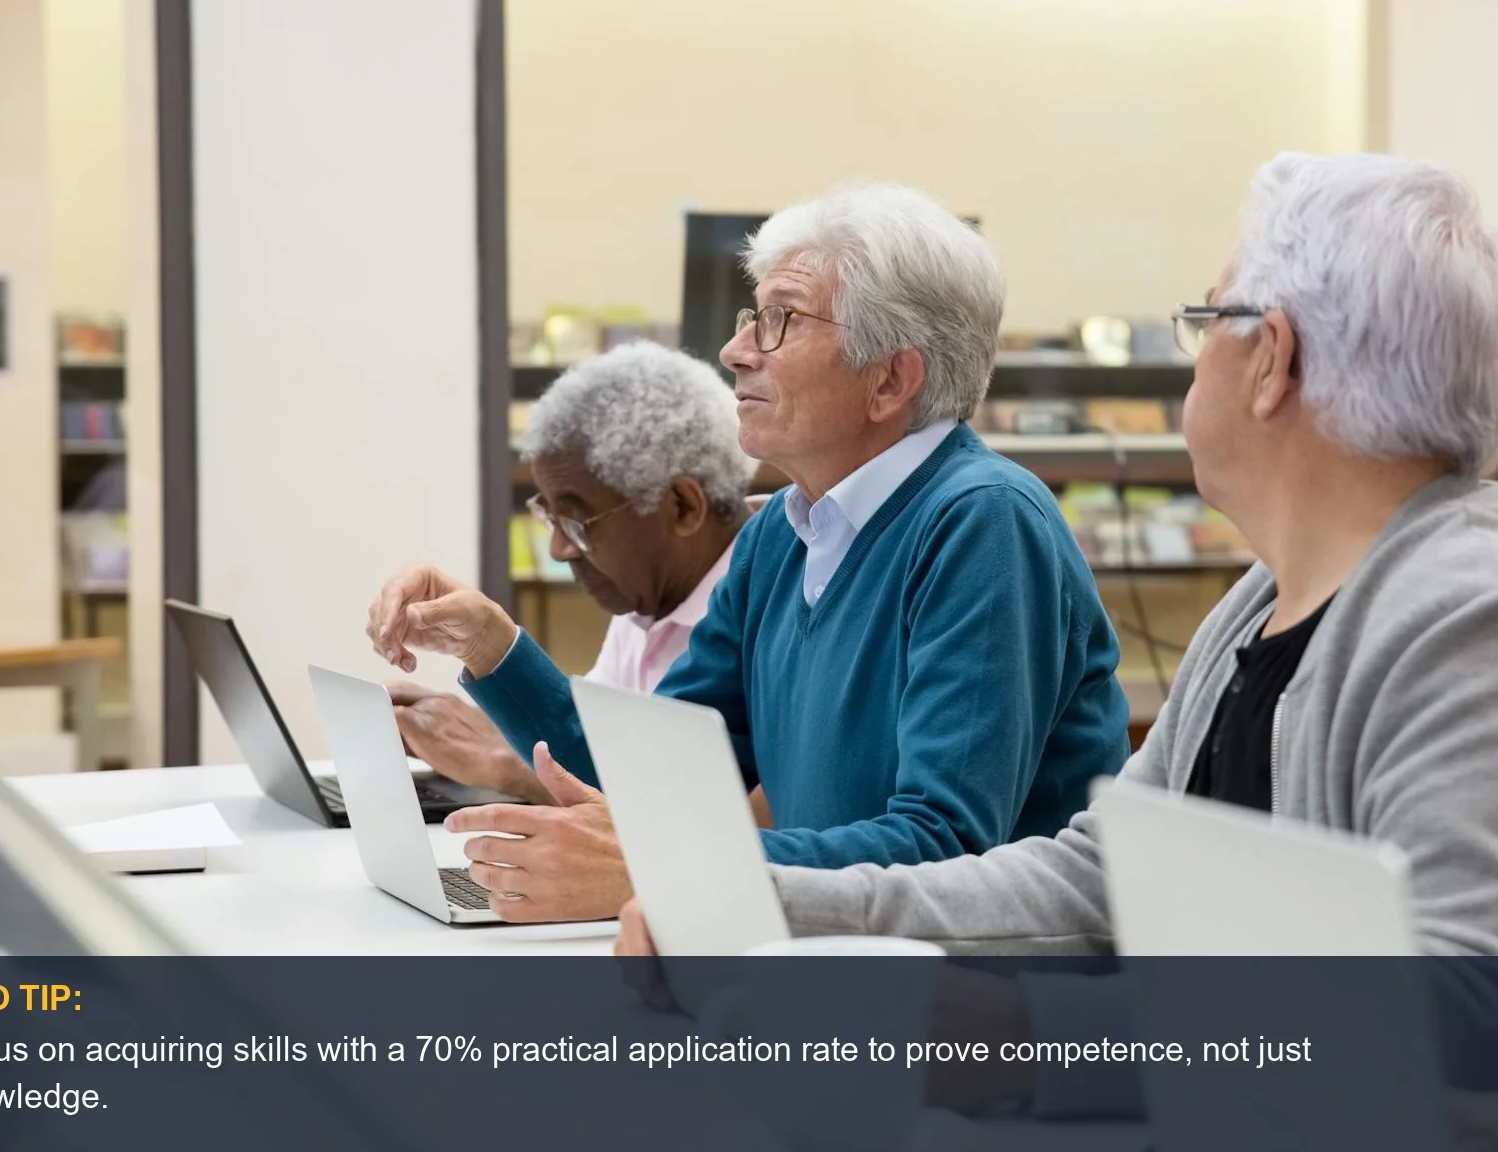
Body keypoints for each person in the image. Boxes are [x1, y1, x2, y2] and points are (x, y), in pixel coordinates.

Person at [617, 153, 1498, 1080]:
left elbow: (1451, 1021)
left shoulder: (1483, 620)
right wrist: (776, 904)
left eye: (1208, 323)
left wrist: (1032, 1036)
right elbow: (1095, 872)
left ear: (1270, 360)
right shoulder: (1259, 606)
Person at [368, 180, 1129, 923]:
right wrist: (493, 645)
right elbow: (655, 776)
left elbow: (946, 849)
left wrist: (671, 866)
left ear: (891, 378)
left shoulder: (983, 523)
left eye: (781, 319)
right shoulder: (782, 534)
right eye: (750, 316)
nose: (734, 351)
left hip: (995, 1012)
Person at [382, 342, 772, 823]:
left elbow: (679, 813)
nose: (559, 551)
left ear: (683, 507)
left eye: (580, 523)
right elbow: (600, 756)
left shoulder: (775, 594)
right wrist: (497, 719)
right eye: (550, 517)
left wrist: (503, 760)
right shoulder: (649, 598)